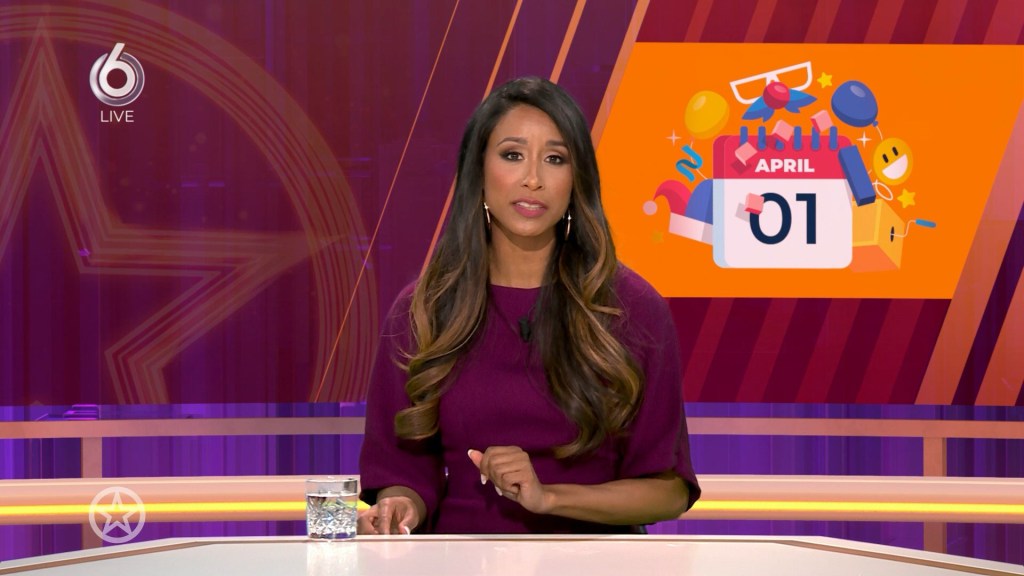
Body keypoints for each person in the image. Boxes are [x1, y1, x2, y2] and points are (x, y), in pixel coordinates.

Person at [358, 76, 700, 534]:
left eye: (555, 159)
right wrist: (400, 508)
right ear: (479, 171)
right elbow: (403, 473)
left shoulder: (632, 310)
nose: (533, 179)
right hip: (458, 559)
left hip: (596, 561)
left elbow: (669, 489)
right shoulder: (423, 310)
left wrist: (549, 497)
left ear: (576, 180)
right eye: (512, 155)